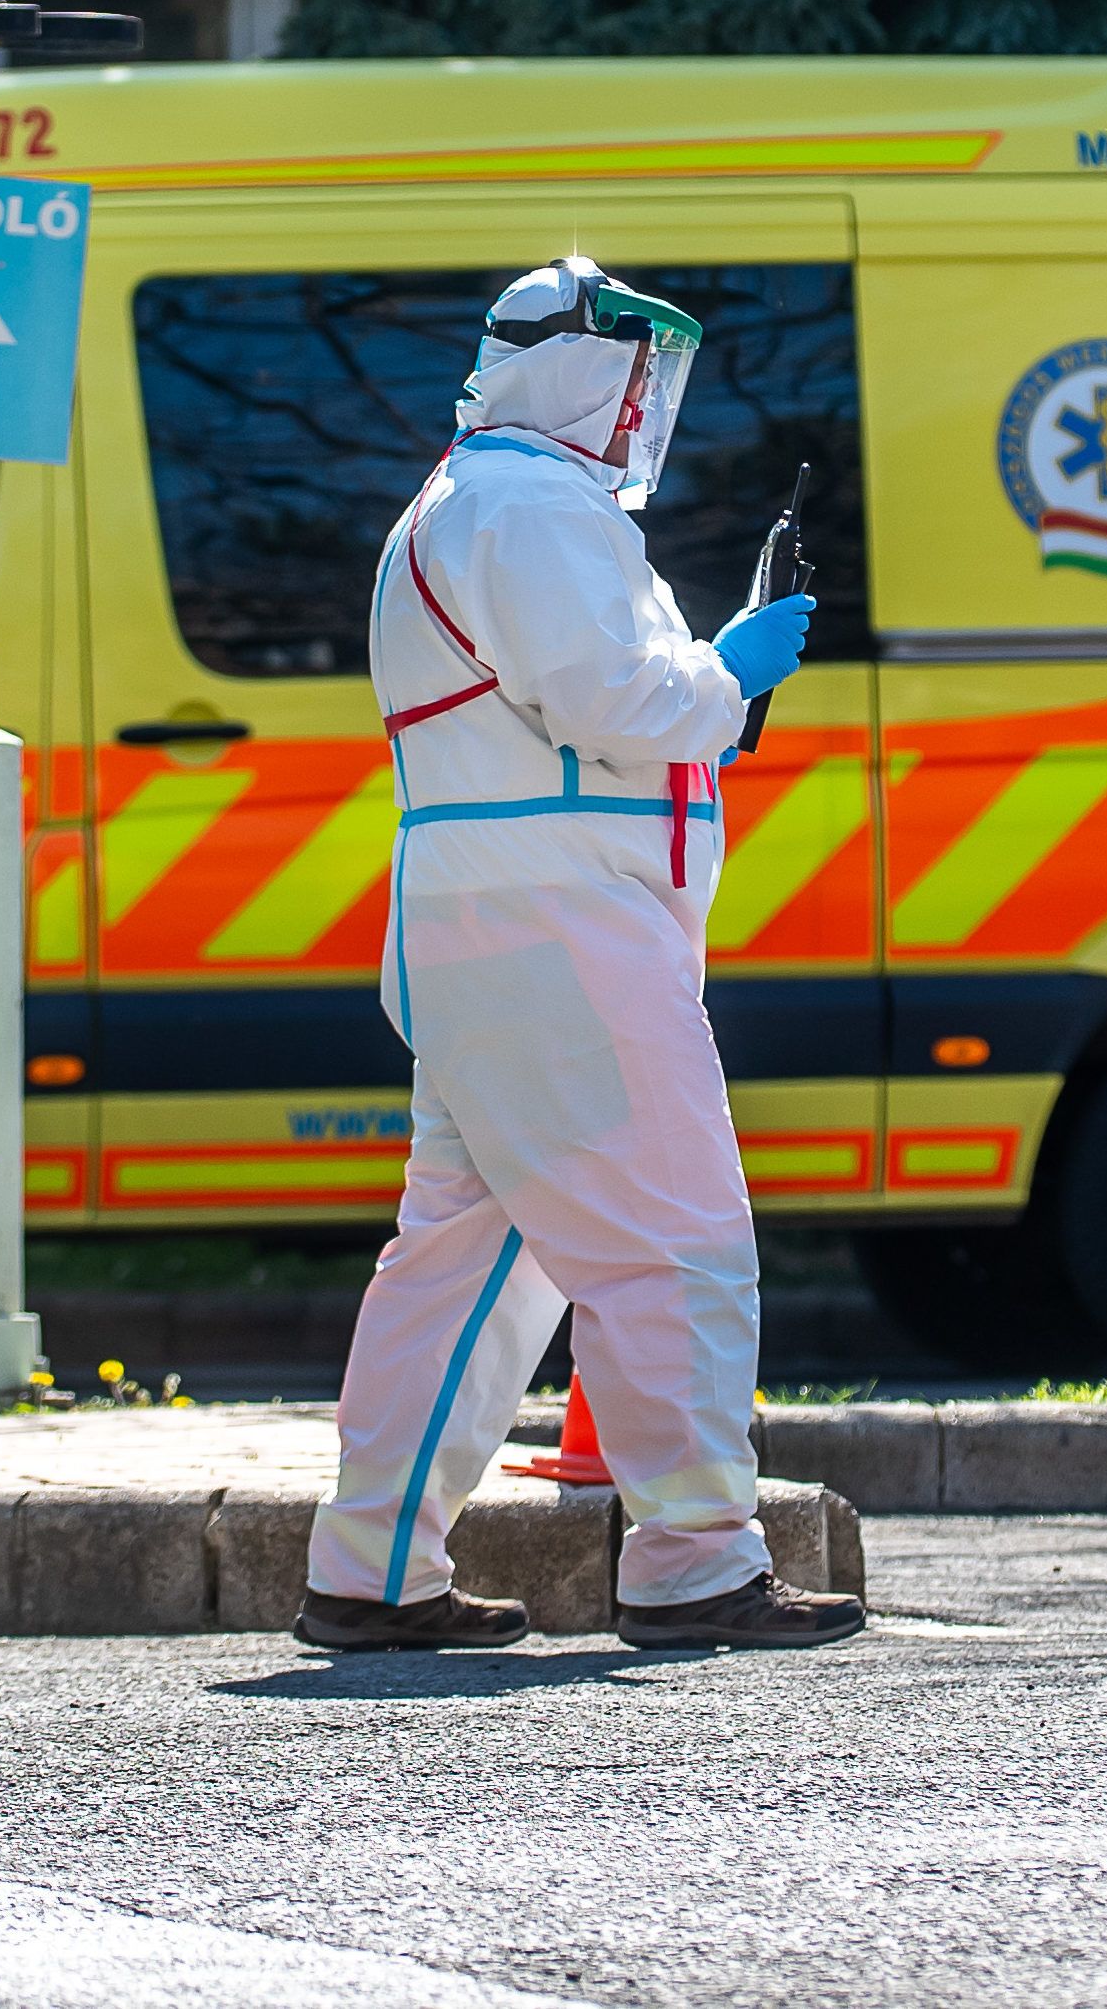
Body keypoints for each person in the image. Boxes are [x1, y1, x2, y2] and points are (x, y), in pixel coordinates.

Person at [297, 257, 868, 1653]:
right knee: (676, 1235)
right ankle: (691, 1561)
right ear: (574, 369)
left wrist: (714, 687)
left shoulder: (478, 497)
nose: (639, 410)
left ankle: (369, 1571)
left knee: (469, 1270)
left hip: (496, 927)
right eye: (627, 377)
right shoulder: (531, 504)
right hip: (563, 934)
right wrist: (733, 666)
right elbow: (615, 700)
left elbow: (582, 711)